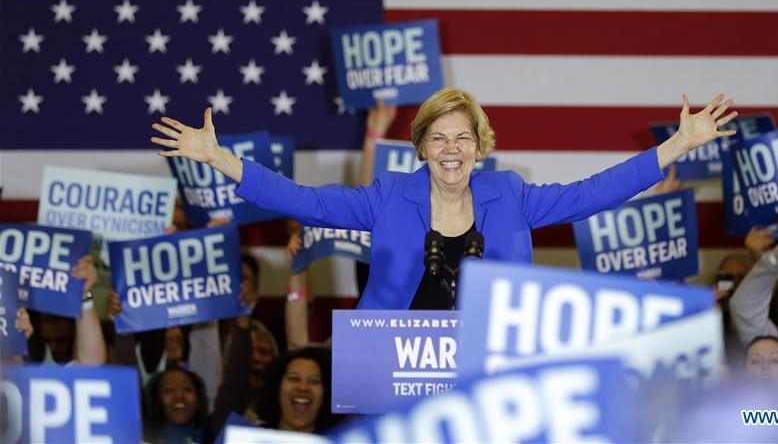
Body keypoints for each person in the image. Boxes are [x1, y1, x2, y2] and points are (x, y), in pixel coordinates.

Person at [152, 88, 736, 310]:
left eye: (463, 138)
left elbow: (593, 193)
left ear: (480, 148)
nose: (451, 149)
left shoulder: (511, 196)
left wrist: (677, 145)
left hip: (486, 369)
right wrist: (219, 158)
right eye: (438, 138)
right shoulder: (388, 196)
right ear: (421, 148)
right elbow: (306, 201)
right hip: (396, 370)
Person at [255, 347, 337, 434]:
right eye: (294, 378)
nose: (303, 388)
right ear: (276, 389)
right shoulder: (250, 436)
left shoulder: (340, 439)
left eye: (314, 381)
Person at [143, 366, 210, 443]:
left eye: (187, 389)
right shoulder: (138, 440)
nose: (179, 395)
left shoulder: (216, 438)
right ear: (156, 402)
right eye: (169, 391)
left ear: (199, 401)